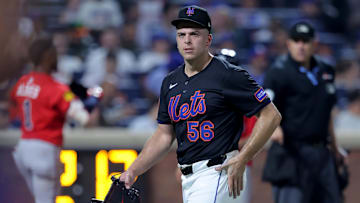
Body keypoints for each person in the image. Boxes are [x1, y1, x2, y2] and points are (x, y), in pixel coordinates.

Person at [120, 5, 281, 203]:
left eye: (194, 33)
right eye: (182, 34)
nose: (187, 40)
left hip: (218, 171)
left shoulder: (228, 74)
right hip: (189, 177)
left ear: (208, 39)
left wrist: (244, 156)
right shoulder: (171, 81)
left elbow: (271, 115)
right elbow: (163, 134)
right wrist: (133, 170)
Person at [262, 21, 345, 203]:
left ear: (314, 44)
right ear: (289, 43)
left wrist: (335, 145)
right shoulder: (278, 71)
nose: (301, 46)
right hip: (292, 151)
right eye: (296, 40)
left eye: (305, 41)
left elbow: (327, 110)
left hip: (322, 151)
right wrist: (274, 129)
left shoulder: (326, 70)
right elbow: (264, 105)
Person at [10, 37, 93, 203]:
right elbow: (83, 118)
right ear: (47, 56)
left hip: (22, 148)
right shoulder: (57, 88)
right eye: (53, 53)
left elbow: (13, 107)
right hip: (44, 150)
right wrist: (90, 103)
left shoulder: (22, 82)